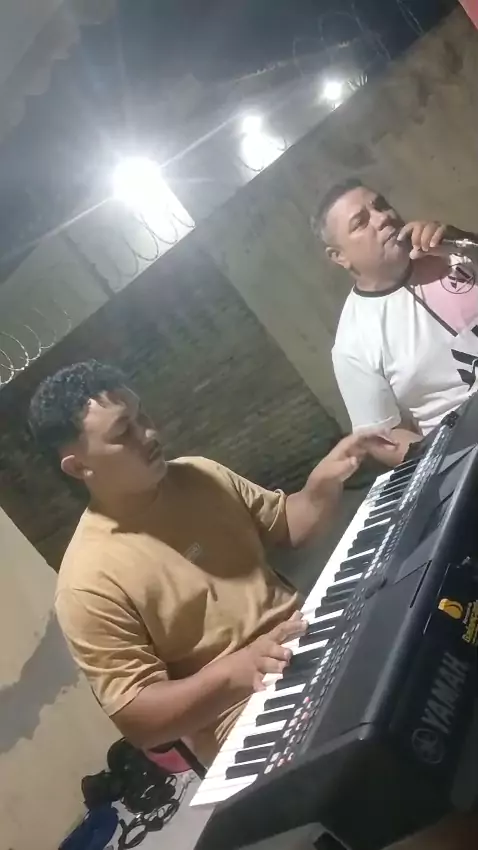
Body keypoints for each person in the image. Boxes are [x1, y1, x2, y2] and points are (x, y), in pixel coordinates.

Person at [28, 359, 393, 767]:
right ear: (79, 467)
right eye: (123, 432)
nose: (149, 433)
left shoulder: (199, 474)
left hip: (315, 635)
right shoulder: (88, 581)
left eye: (142, 415)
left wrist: (323, 483)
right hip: (247, 715)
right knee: (372, 757)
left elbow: (287, 527)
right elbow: (139, 718)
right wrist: (239, 669)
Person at [311, 178, 478, 467]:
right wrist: (450, 461)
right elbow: (383, 436)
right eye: (361, 222)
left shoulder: (453, 249)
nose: (383, 218)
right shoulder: (353, 344)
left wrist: (464, 241)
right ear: (339, 256)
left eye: (381, 205)